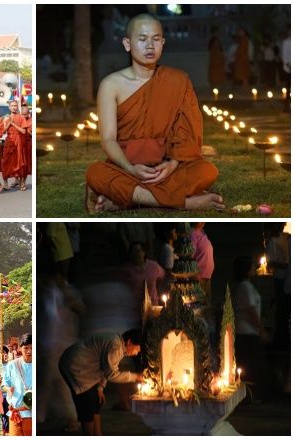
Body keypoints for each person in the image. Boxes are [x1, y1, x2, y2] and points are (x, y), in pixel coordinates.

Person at [85, 13, 223, 213]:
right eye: (142, 39)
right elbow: (108, 139)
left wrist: (172, 165)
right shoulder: (110, 85)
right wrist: (131, 168)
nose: (150, 46)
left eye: (156, 39)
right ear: (127, 43)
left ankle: (126, 200)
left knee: (207, 171)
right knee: (95, 173)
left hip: (164, 168)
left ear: (163, 43)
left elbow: (186, 134)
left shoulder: (178, 81)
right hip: (127, 167)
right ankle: (187, 202)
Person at [59, 330, 142, 435]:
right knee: (87, 406)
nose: (137, 353)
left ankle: (98, 435)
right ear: (129, 342)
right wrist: (136, 377)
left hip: (87, 367)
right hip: (76, 366)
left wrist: (100, 389)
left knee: (96, 402)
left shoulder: (118, 346)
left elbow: (106, 368)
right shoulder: (115, 347)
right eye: (137, 348)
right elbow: (112, 375)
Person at [232, 256, 270, 400]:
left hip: (247, 332)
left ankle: (250, 396)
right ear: (246, 270)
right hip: (247, 333)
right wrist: (261, 330)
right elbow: (251, 311)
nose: (254, 269)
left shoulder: (245, 286)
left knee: (250, 366)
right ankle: (252, 396)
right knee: (252, 366)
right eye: (252, 267)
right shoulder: (245, 287)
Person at [2, 333, 33, 436]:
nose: (29, 351)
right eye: (26, 348)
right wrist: (8, 389)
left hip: (32, 414)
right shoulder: (12, 365)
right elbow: (4, 384)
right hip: (15, 412)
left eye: (32, 348)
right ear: (20, 348)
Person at [2, 100, 27, 191]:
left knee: (20, 162)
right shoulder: (6, 118)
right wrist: (9, 123)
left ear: (17, 107)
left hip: (18, 141)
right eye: (12, 106)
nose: (14, 107)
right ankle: (5, 184)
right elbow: (2, 131)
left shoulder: (21, 117)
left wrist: (13, 124)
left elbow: (23, 131)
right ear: (9, 107)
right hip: (9, 141)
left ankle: (21, 183)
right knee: (6, 161)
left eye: (15, 106)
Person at [190, 223, 214, 302]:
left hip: (207, 275)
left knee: (207, 302)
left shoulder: (202, 232)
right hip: (198, 276)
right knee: (200, 303)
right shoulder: (193, 233)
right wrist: (194, 274)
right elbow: (190, 254)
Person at [21, 103, 33, 188]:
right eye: (22, 114)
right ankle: (17, 180)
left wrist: (25, 129)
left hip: (27, 145)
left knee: (26, 164)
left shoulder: (32, 121)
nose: (24, 116)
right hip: (19, 144)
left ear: (29, 113)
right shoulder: (18, 120)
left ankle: (23, 182)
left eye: (25, 114)